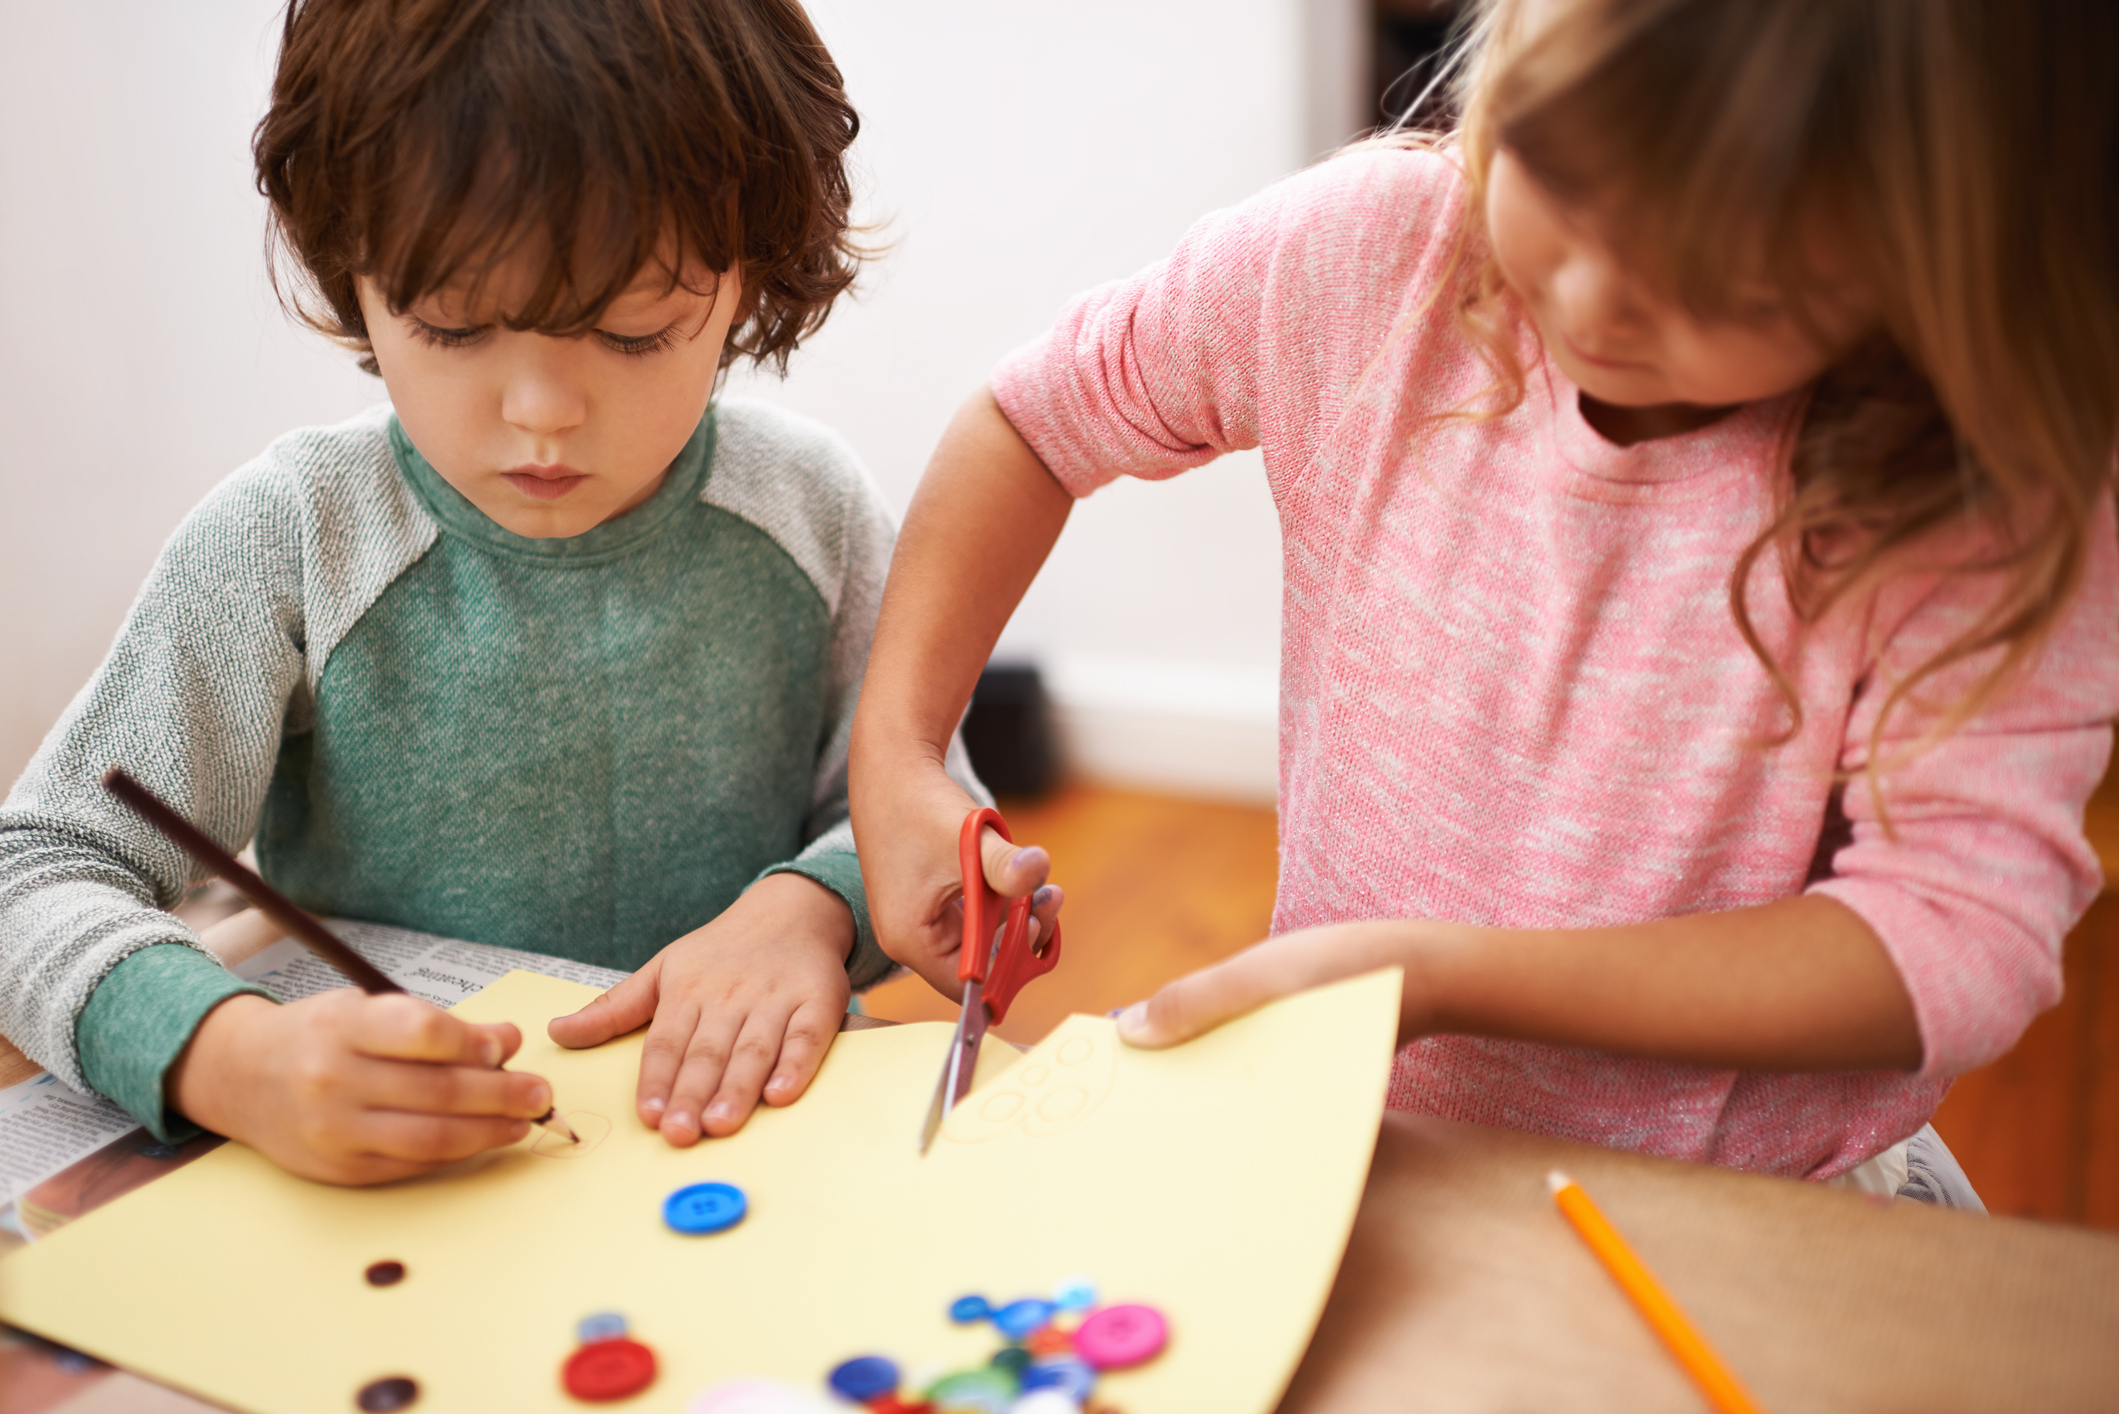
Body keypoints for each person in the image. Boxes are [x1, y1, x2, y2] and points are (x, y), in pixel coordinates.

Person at [848, 0, 2119, 1199]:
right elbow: (1034, 420)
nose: (1591, 297)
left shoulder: (1984, 475)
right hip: (1371, 1144)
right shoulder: (1369, 251)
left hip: (1759, 1205)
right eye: (1557, 177)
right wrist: (897, 751)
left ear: (1922, 264)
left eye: (1728, 283)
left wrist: (1442, 974)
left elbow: (1951, 942)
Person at [0, 0, 992, 1186]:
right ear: (354, 277)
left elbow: (925, 802)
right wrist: (231, 1054)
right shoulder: (292, 540)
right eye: (454, 326)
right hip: (398, 1189)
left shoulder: (812, 512)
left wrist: (810, 911)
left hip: (745, 1160)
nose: (541, 411)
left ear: (748, 281)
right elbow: (38, 874)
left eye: (633, 332)